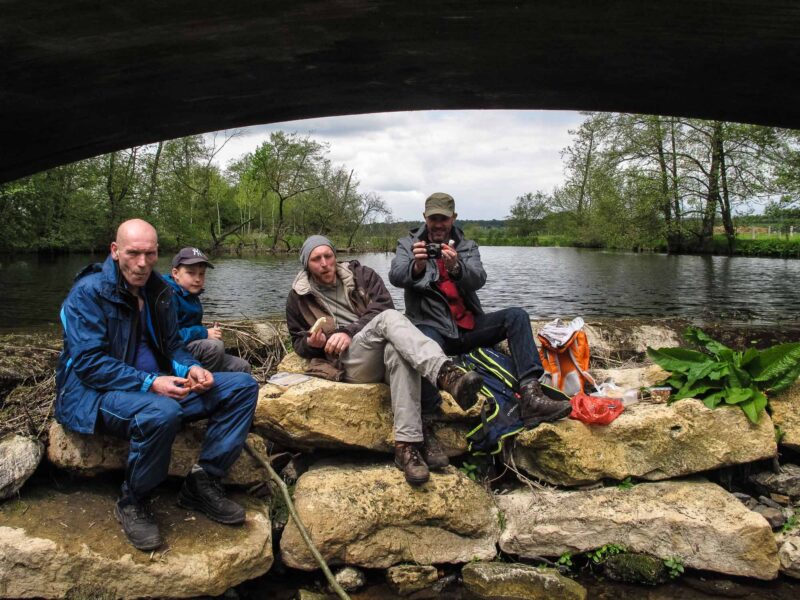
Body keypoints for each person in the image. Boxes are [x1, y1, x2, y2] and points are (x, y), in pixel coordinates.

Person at [55, 219, 259, 552]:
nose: (142, 263)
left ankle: (203, 481)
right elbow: (90, 365)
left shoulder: (159, 292)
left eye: (149, 254)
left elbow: (173, 346)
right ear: (115, 251)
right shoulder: (88, 293)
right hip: (96, 397)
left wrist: (192, 368)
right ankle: (133, 501)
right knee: (161, 411)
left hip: (154, 390)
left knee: (242, 385)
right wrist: (151, 383)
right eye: (133, 253)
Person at [285, 235, 484, 486]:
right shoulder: (298, 296)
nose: (324, 263)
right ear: (307, 264)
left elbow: (382, 305)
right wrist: (312, 344)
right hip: (348, 362)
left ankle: (407, 447)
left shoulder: (362, 275)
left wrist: (350, 330)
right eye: (316, 259)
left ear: (335, 256)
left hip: (377, 349)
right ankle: (447, 375)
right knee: (391, 317)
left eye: (328, 256)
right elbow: (298, 342)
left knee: (399, 353)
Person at [389, 192, 572, 428]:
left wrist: (456, 267)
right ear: (425, 218)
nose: (438, 224)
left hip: (469, 326)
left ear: (453, 218)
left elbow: (479, 280)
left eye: (443, 219)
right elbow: (395, 276)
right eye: (433, 218)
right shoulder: (408, 244)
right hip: (431, 326)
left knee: (517, 316)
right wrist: (417, 267)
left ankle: (530, 395)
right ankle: (430, 414)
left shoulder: (466, 246)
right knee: (421, 347)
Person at [163, 247, 251, 373]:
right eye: (191, 273)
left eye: (202, 273)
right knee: (214, 347)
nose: (198, 279)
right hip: (173, 356)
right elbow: (168, 338)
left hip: (188, 350)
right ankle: (201, 388)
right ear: (175, 273)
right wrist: (204, 333)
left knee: (242, 367)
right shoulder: (167, 296)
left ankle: (220, 385)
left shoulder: (191, 294)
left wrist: (210, 334)